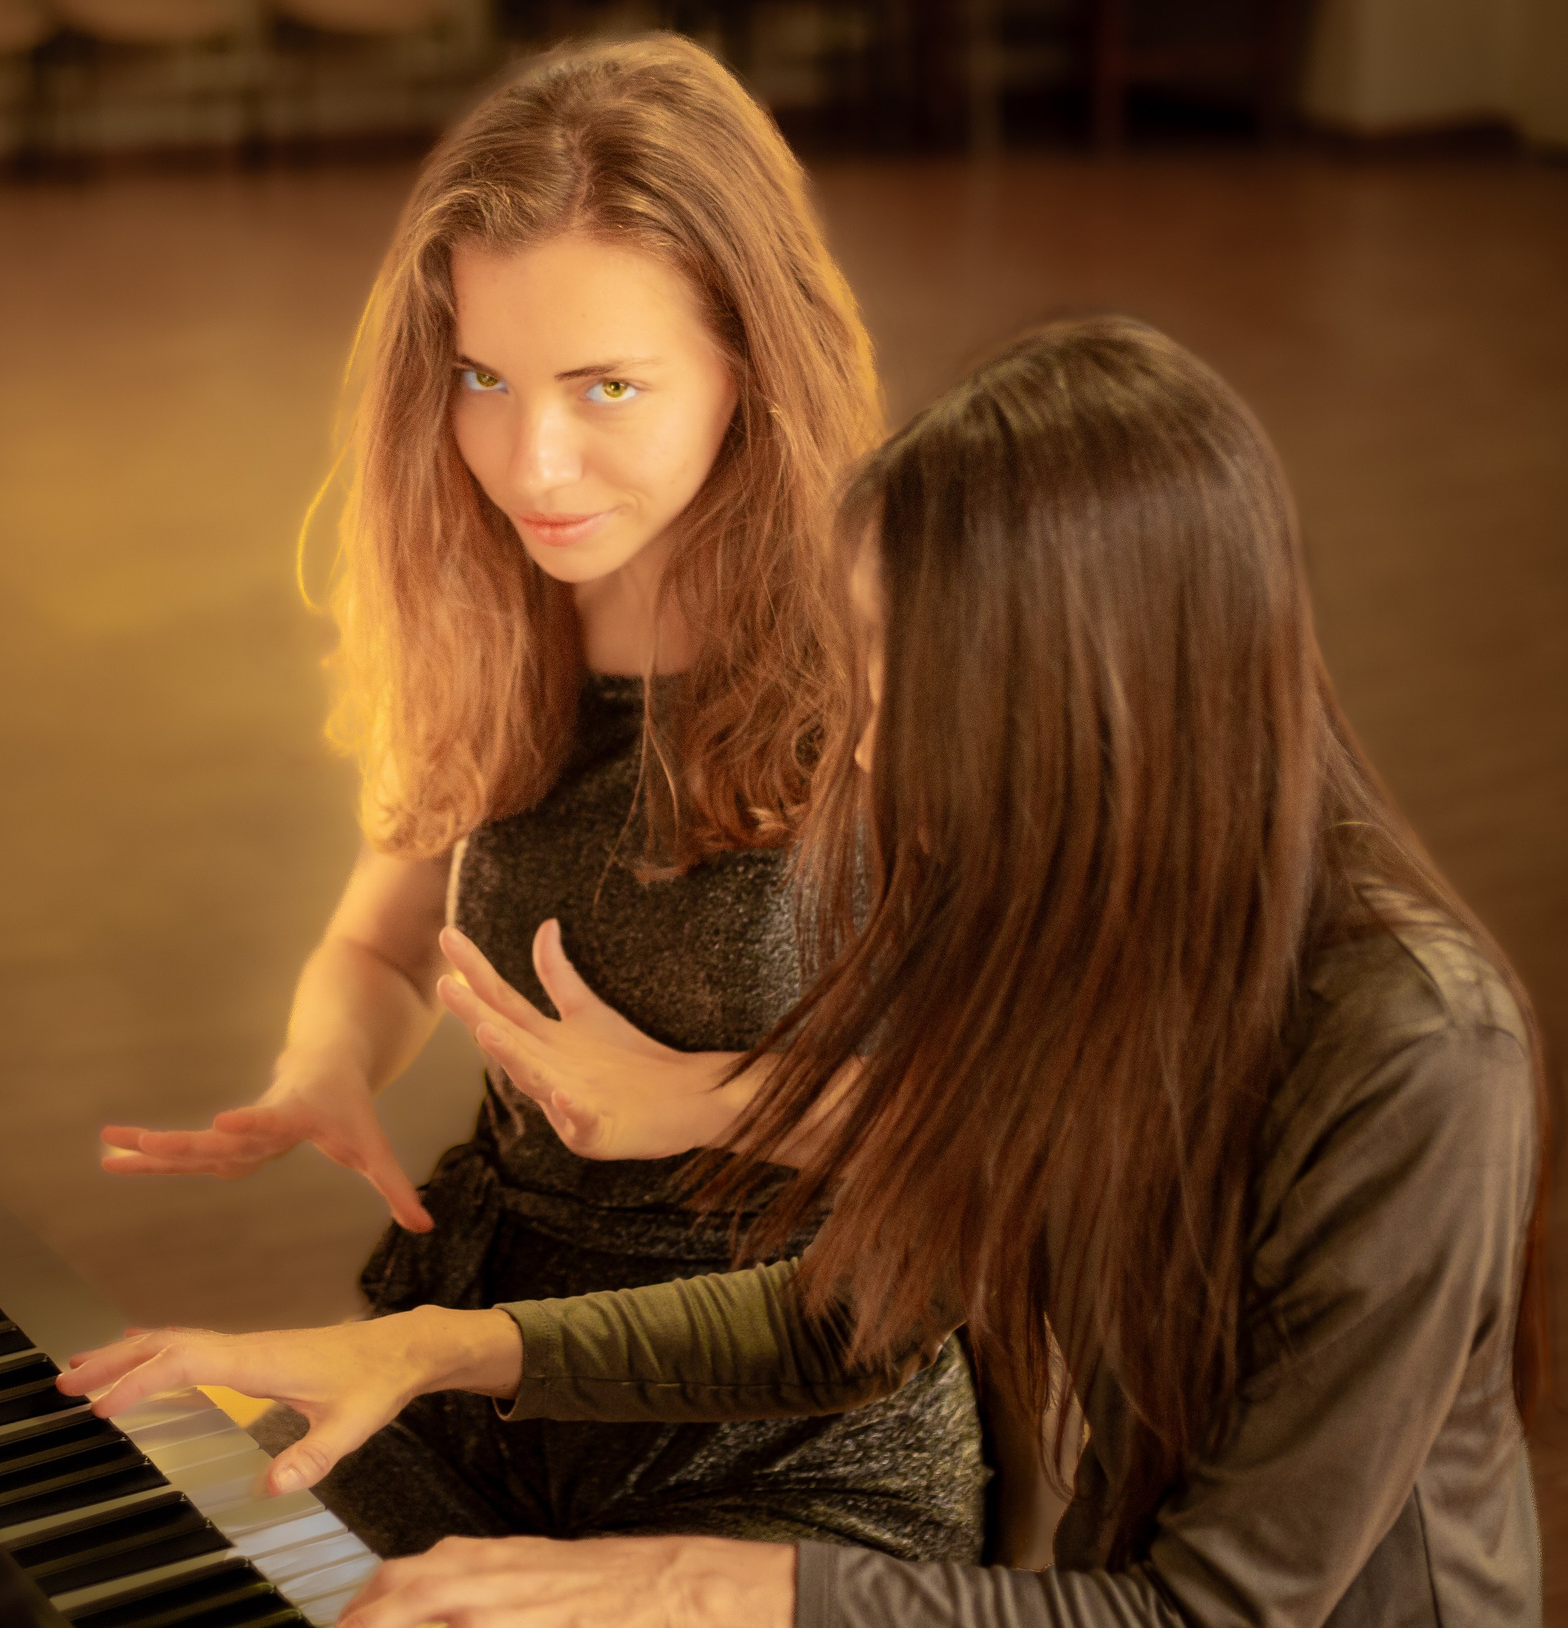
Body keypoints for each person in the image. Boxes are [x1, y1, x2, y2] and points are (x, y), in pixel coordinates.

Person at [61, 316, 1551, 1626]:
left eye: (908, 695)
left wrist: (698, 1582)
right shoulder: (1050, 924)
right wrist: (434, 1348)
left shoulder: (1414, 1048)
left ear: (1080, 711)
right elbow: (844, 1314)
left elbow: (1219, 1612)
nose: (863, 751)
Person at [94, 36, 988, 1563]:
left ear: (750, 371)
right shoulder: (495, 612)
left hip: (793, 1419)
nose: (529, 457)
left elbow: (1027, 1134)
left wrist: (701, 1105)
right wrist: (324, 1064)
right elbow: (382, 949)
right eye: (482, 379)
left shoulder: (897, 646)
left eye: (606, 387)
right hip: (472, 1364)